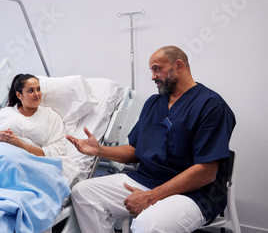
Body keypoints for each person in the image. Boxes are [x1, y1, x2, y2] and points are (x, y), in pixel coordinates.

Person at [67, 46, 236, 233]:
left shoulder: (211, 106)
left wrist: (151, 197)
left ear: (178, 65)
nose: (153, 76)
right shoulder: (153, 104)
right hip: (146, 180)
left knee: (148, 223)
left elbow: (206, 172)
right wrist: (99, 150)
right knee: (83, 192)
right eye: (152, 71)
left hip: (193, 192)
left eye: (157, 69)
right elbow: (135, 150)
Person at [0, 73, 67, 157]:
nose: (37, 94)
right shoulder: (7, 113)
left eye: (38, 89)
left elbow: (57, 150)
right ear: (19, 95)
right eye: (31, 91)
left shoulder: (51, 116)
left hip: (27, 162)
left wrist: (22, 146)